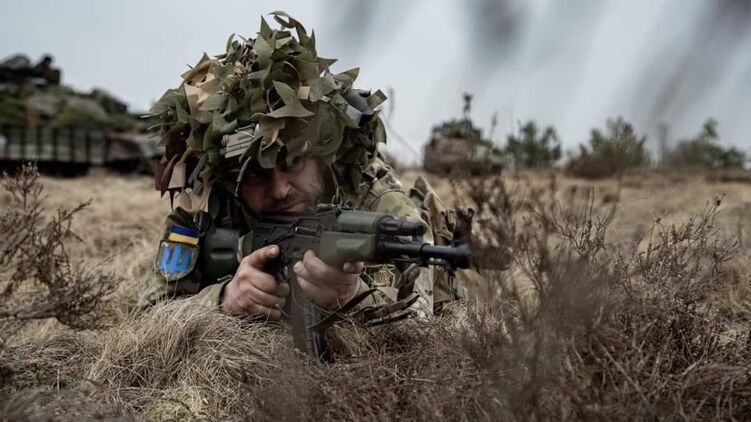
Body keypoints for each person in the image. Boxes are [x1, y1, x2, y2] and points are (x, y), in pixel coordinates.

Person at [140, 12, 463, 323]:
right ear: (227, 181)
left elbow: (418, 326)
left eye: (293, 163)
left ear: (322, 155)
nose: (280, 190)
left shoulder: (376, 202)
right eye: (255, 175)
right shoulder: (206, 206)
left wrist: (352, 298)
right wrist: (224, 300)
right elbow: (150, 318)